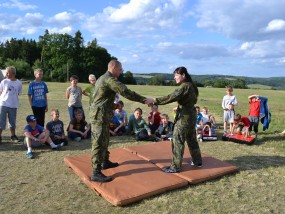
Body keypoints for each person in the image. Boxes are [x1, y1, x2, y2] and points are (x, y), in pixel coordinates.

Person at [89, 59, 146, 182]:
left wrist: (114, 106)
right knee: (98, 142)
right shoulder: (109, 79)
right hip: (99, 116)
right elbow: (125, 91)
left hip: (102, 115)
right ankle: (95, 172)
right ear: (113, 68)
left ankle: (105, 161)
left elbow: (103, 99)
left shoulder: (103, 77)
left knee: (104, 139)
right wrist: (143, 99)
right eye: (120, 70)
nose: (121, 72)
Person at [145, 66, 202, 173]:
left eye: (176, 75)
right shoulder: (192, 86)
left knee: (177, 140)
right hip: (191, 116)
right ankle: (197, 161)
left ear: (183, 75)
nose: (174, 77)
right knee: (191, 139)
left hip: (184, 118)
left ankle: (175, 167)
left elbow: (171, 97)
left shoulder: (185, 86)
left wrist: (154, 100)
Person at [0, 66, 22, 143]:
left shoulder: (19, 83)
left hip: (13, 105)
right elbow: (1, 92)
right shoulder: (4, 81)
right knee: (1, 121)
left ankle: (13, 136)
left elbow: (18, 93)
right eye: (6, 73)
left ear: (13, 73)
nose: (6, 74)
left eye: (7, 73)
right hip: (3, 104)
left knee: (12, 121)